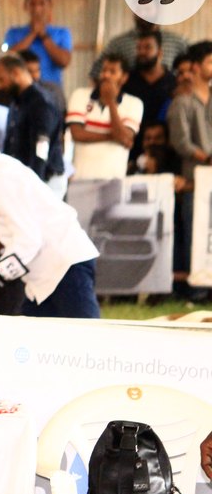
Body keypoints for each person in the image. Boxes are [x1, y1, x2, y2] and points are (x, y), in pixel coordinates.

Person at [0, 107, 100, 319]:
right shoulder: (0, 172)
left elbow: (28, 241)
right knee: (31, 338)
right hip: (48, 274)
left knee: (89, 337)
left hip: (64, 266)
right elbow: (28, 224)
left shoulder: (0, 177)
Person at [168, 41, 212, 299]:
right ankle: (196, 290)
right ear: (196, 67)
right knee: (195, 234)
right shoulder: (182, 102)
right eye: (209, 62)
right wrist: (206, 157)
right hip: (194, 179)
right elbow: (180, 142)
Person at [0, 54, 65, 196]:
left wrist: (35, 184)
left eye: (1, 79)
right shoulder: (16, 103)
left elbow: (42, 146)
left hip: (44, 180)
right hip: (23, 180)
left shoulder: (41, 102)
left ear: (16, 73)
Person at [66, 53, 143, 180]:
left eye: (112, 72)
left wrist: (111, 102)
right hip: (80, 177)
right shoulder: (80, 95)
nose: (106, 75)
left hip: (114, 179)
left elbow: (124, 137)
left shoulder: (134, 103)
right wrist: (114, 137)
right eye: (104, 70)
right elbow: (77, 134)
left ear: (124, 77)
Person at [122, 29, 176, 166]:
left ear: (160, 52)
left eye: (148, 47)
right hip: (131, 149)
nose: (142, 52)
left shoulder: (172, 82)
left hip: (163, 154)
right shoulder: (128, 81)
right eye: (139, 48)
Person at [2, 0, 72, 87]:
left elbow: (64, 61)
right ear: (25, 6)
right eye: (32, 4)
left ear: (50, 5)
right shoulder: (13, 32)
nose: (37, 9)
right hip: (21, 89)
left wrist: (44, 36)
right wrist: (33, 33)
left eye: (42, 3)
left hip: (50, 89)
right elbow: (8, 60)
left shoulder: (62, 33)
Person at [90, 15, 189, 81]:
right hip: (130, 97)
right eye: (139, 9)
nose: (143, 14)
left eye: (148, 9)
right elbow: (96, 71)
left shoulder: (177, 41)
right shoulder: (118, 43)